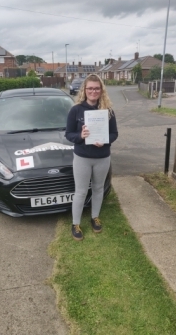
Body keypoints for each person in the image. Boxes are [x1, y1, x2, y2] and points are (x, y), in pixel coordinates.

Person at [65, 74, 118, 241]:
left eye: (96, 88)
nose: (93, 91)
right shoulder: (76, 110)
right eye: (90, 88)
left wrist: (105, 141)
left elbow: (114, 133)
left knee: (98, 188)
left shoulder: (108, 111)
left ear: (101, 90)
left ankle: (95, 217)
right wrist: (81, 136)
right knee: (80, 191)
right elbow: (68, 134)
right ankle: (75, 223)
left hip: (102, 157)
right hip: (82, 157)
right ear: (84, 90)